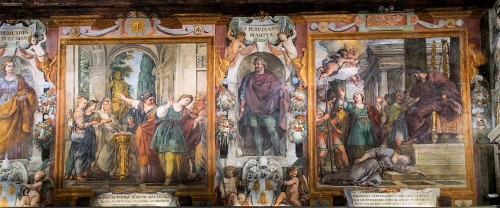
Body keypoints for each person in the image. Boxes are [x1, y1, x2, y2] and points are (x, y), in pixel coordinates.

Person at [238, 57, 289, 156]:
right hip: (252, 108)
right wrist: (242, 107)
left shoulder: (271, 77)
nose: (256, 66)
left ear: (263, 65)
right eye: (255, 64)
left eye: (258, 64)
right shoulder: (249, 78)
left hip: (268, 109)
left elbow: (277, 90)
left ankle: (278, 153)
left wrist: (282, 89)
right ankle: (260, 154)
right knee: (256, 131)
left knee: (272, 131)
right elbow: (243, 93)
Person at [405, 66, 462, 143]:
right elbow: (414, 94)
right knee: (410, 111)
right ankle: (415, 136)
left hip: (439, 100)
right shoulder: (419, 83)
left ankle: (419, 135)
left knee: (421, 111)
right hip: (426, 101)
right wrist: (408, 100)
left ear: (417, 73)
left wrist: (444, 94)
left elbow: (448, 85)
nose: (414, 78)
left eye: (414, 76)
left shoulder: (434, 76)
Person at [321, 147, 428, 186]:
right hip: (369, 164)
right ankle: (328, 178)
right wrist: (362, 159)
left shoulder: (396, 165)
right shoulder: (390, 151)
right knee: (353, 177)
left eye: (407, 162)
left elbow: (405, 169)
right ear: (404, 155)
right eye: (406, 159)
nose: (406, 161)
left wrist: (418, 172)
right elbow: (373, 152)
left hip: (375, 171)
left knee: (376, 182)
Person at [119, 91, 165, 183]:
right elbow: (132, 102)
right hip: (141, 134)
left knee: (151, 154)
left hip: (151, 134)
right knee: (142, 154)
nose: (152, 101)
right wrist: (123, 98)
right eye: (150, 99)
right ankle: (144, 177)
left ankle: (154, 177)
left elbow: (156, 122)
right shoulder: (140, 105)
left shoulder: (157, 109)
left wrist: (145, 126)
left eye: (153, 99)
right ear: (144, 100)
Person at [151, 94, 193, 186]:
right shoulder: (170, 105)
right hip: (164, 131)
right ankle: (168, 176)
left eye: (189, 102)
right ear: (181, 98)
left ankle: (170, 177)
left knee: (174, 154)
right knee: (163, 154)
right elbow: (159, 114)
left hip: (176, 133)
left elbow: (188, 123)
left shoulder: (186, 111)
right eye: (186, 100)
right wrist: (168, 105)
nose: (187, 102)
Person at [0, 57, 37, 159]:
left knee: (14, 133)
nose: (11, 68)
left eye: (12, 66)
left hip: (16, 110)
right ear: (5, 68)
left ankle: (14, 159)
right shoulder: (0, 80)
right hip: (3, 109)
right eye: (9, 66)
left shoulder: (19, 80)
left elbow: (30, 91)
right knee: (2, 131)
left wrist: (25, 96)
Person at [338, 88, 381, 163]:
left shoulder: (368, 107)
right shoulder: (352, 106)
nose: (355, 96)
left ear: (362, 96)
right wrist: (342, 97)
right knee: (359, 145)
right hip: (357, 128)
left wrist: (378, 103)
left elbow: (377, 113)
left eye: (357, 94)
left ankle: (369, 163)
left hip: (368, 128)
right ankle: (359, 164)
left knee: (369, 145)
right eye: (354, 95)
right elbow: (342, 104)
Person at [65, 97, 98, 182]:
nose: (85, 104)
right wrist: (92, 123)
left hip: (83, 136)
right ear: (79, 103)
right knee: (80, 155)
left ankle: (75, 174)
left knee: (80, 155)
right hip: (80, 136)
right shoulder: (79, 113)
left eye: (86, 103)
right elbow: (81, 126)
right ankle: (78, 175)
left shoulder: (80, 112)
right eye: (84, 103)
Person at [93, 98, 122, 178]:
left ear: (110, 105)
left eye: (107, 104)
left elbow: (118, 126)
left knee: (111, 155)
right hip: (103, 136)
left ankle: (108, 172)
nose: (105, 106)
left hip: (113, 136)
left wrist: (113, 122)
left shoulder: (113, 115)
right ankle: (100, 171)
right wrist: (103, 122)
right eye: (104, 104)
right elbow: (95, 124)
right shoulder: (98, 113)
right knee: (103, 153)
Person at [182, 92, 207, 182]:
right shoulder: (192, 109)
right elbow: (188, 122)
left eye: (199, 100)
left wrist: (202, 119)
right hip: (193, 135)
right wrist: (196, 120)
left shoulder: (207, 110)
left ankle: (199, 173)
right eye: (196, 100)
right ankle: (194, 173)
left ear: (204, 101)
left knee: (199, 154)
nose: (197, 102)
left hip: (203, 135)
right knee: (193, 155)